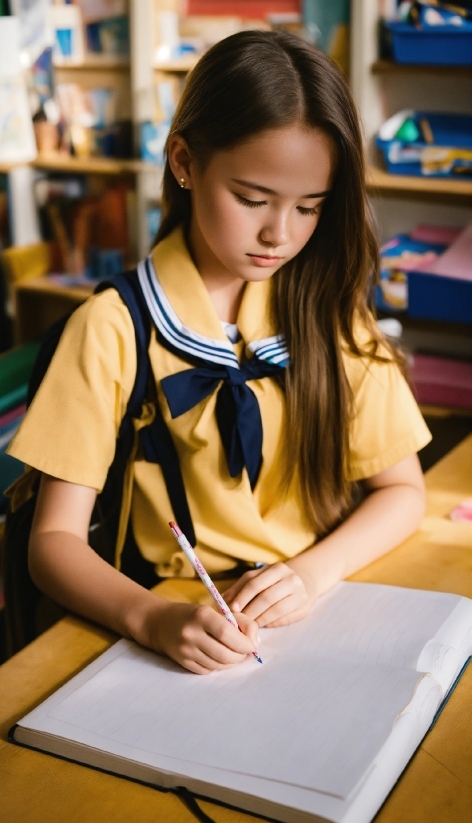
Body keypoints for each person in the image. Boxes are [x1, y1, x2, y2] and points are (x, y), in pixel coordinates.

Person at [7, 31, 431, 675]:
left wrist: (311, 575)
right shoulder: (114, 327)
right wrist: (152, 618)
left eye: (310, 208)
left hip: (315, 608)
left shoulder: (328, 309)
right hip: (174, 619)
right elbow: (53, 542)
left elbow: (403, 490)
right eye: (252, 199)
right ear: (184, 161)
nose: (278, 235)